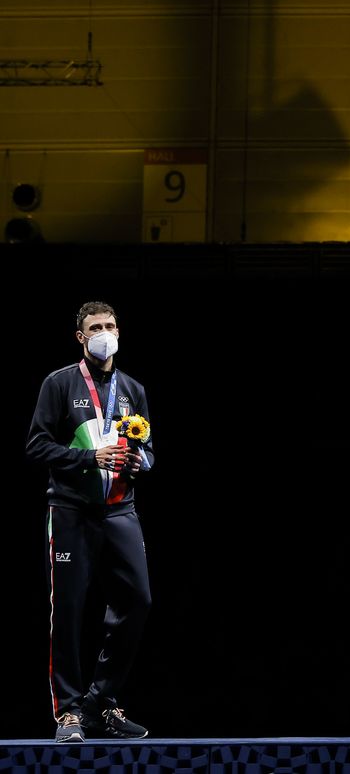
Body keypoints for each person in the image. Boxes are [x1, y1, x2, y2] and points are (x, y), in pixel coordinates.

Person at [27, 301, 154, 742]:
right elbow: (36, 446)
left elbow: (150, 449)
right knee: (69, 611)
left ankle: (102, 701)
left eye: (111, 325)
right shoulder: (59, 384)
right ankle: (69, 713)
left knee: (138, 600)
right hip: (70, 511)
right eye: (96, 327)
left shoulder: (132, 388)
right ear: (81, 337)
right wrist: (87, 457)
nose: (105, 332)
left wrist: (141, 462)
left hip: (120, 510)